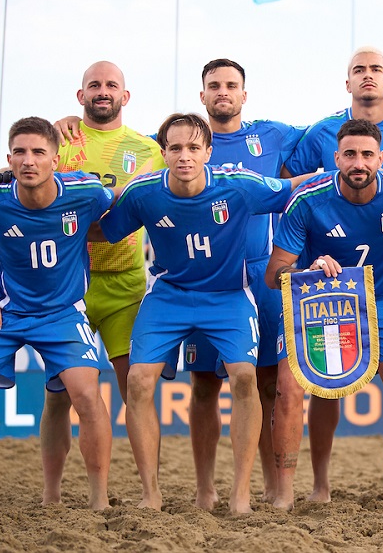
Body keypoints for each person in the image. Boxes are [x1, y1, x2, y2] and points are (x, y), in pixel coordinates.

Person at [98, 112, 307, 513]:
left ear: (208, 152)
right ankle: (151, 494)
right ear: (163, 153)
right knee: (139, 383)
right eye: (175, 148)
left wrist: (341, 171)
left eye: (193, 147)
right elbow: (101, 229)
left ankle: (240, 495)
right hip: (170, 295)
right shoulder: (143, 192)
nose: (184, 156)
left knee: (245, 379)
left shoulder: (238, 185)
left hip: (228, 295)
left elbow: (290, 189)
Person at [282, 47, 383, 505]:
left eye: (377, 70)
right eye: (359, 69)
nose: (368, 76)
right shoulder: (319, 134)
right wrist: (304, 260)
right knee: (325, 385)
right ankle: (317, 485)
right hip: (326, 291)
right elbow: (286, 178)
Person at [0, 117, 113, 509]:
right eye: (20, 152)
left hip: (63, 313)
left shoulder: (85, 191)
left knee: (86, 395)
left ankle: (98, 501)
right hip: (5, 312)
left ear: (56, 159)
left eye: (38, 152)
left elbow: (120, 209)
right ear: (9, 158)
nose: (29, 160)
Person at [179, 58, 306, 508]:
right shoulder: (186, 143)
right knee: (204, 386)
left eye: (231, 85)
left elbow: (334, 132)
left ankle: (272, 486)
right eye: (214, 85)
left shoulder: (272, 135)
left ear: (244, 94)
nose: (222, 92)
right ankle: (205, 488)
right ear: (202, 95)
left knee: (267, 382)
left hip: (261, 272)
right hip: (205, 278)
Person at [41, 61, 166, 505]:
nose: (102, 91)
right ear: (80, 96)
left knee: (136, 389)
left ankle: (150, 492)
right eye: (94, 84)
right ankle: (51, 495)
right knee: (59, 395)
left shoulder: (148, 149)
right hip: (68, 286)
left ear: (125, 97)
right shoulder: (60, 142)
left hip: (126, 284)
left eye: (111, 84)